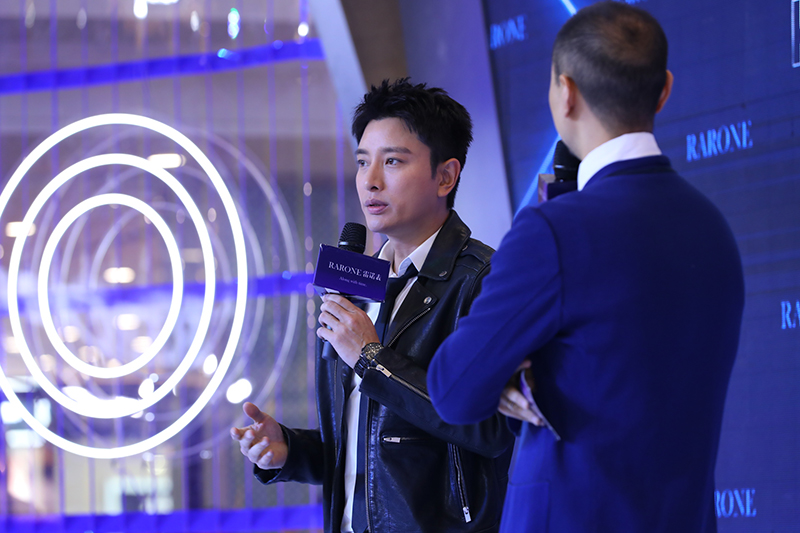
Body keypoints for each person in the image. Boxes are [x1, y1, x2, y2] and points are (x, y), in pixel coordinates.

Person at [427, 3, 745, 532]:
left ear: (566, 92)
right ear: (664, 90)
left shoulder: (554, 230)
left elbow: (454, 389)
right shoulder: (714, 228)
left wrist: (505, 372)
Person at [231, 79, 514, 533]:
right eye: (363, 161)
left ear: (445, 176)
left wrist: (371, 358)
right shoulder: (355, 285)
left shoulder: (483, 280)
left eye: (393, 161)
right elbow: (372, 440)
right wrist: (292, 451)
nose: (371, 180)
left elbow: (492, 430)